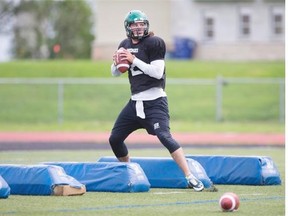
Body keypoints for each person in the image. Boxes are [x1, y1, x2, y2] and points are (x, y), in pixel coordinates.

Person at [109, 10, 204, 192]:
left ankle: (189, 176)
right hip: (135, 103)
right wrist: (115, 63)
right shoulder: (124, 44)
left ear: (146, 26)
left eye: (141, 24)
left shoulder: (155, 43)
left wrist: (133, 59)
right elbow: (115, 73)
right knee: (115, 139)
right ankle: (130, 171)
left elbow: (157, 72)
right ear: (128, 27)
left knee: (165, 137)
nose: (139, 27)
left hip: (155, 101)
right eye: (135, 24)